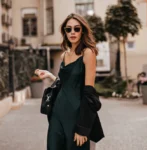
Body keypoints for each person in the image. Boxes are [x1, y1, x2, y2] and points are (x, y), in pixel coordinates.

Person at [35, 13, 104, 150]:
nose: (72, 32)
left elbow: (89, 92)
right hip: (57, 114)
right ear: (65, 32)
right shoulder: (64, 54)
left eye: (77, 29)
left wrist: (83, 127)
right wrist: (50, 75)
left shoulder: (88, 53)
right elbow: (65, 84)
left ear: (82, 31)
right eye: (69, 29)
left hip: (76, 115)